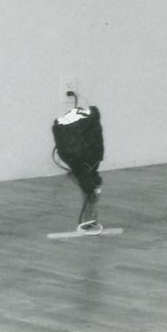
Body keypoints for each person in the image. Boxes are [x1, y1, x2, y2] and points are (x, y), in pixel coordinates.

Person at [52, 90, 106, 234]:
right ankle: (89, 219)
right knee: (88, 183)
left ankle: (89, 219)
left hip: (85, 157)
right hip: (83, 157)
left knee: (88, 183)